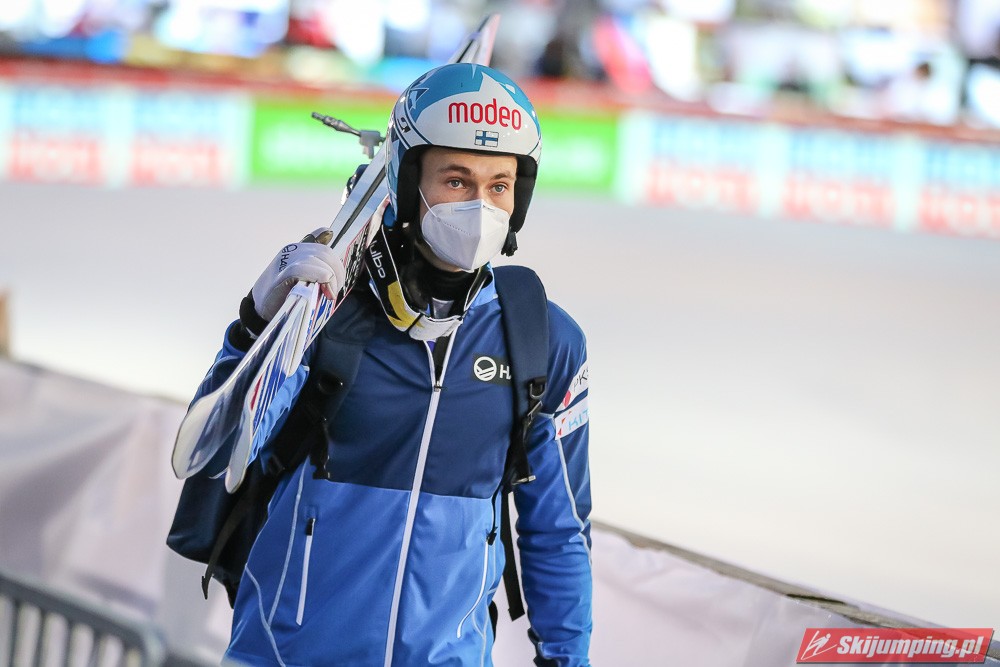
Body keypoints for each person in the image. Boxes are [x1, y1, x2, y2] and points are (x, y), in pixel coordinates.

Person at [194, 63, 592, 665]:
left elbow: (557, 532)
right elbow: (216, 451)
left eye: (499, 185)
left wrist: (567, 661)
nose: (479, 206)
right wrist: (256, 323)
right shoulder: (329, 309)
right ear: (407, 180)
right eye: (455, 180)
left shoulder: (539, 339)